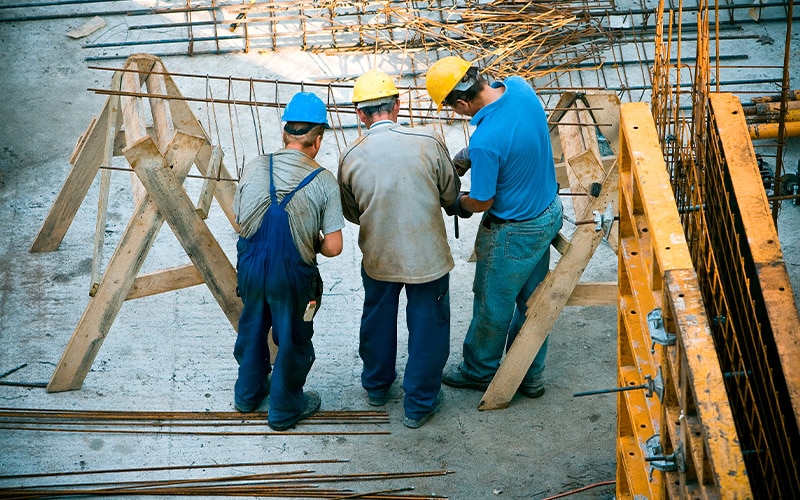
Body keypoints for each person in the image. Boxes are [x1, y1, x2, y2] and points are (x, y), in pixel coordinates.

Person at [425, 56, 563, 399]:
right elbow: (515, 133)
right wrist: (472, 153)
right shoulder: (519, 86)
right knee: (534, 303)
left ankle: (479, 370)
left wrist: (457, 204)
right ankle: (531, 376)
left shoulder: (487, 140)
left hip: (513, 234)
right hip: (547, 212)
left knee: (492, 304)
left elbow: (482, 201)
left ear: (460, 102)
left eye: (452, 109)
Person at [338, 69, 461, 428]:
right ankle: (419, 404)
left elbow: (352, 212)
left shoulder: (350, 155)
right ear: (397, 104)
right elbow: (450, 196)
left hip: (379, 255)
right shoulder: (429, 141)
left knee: (377, 317)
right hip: (428, 257)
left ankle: (377, 386)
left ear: (360, 114)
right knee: (428, 325)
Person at [233, 91, 344, 431]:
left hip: (251, 266)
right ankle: (284, 408)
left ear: (284, 134)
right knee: (293, 338)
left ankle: (247, 395)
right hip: (292, 276)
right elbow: (335, 247)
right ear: (318, 140)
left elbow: (240, 218)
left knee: (252, 328)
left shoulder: (254, 165)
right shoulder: (323, 180)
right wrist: (311, 239)